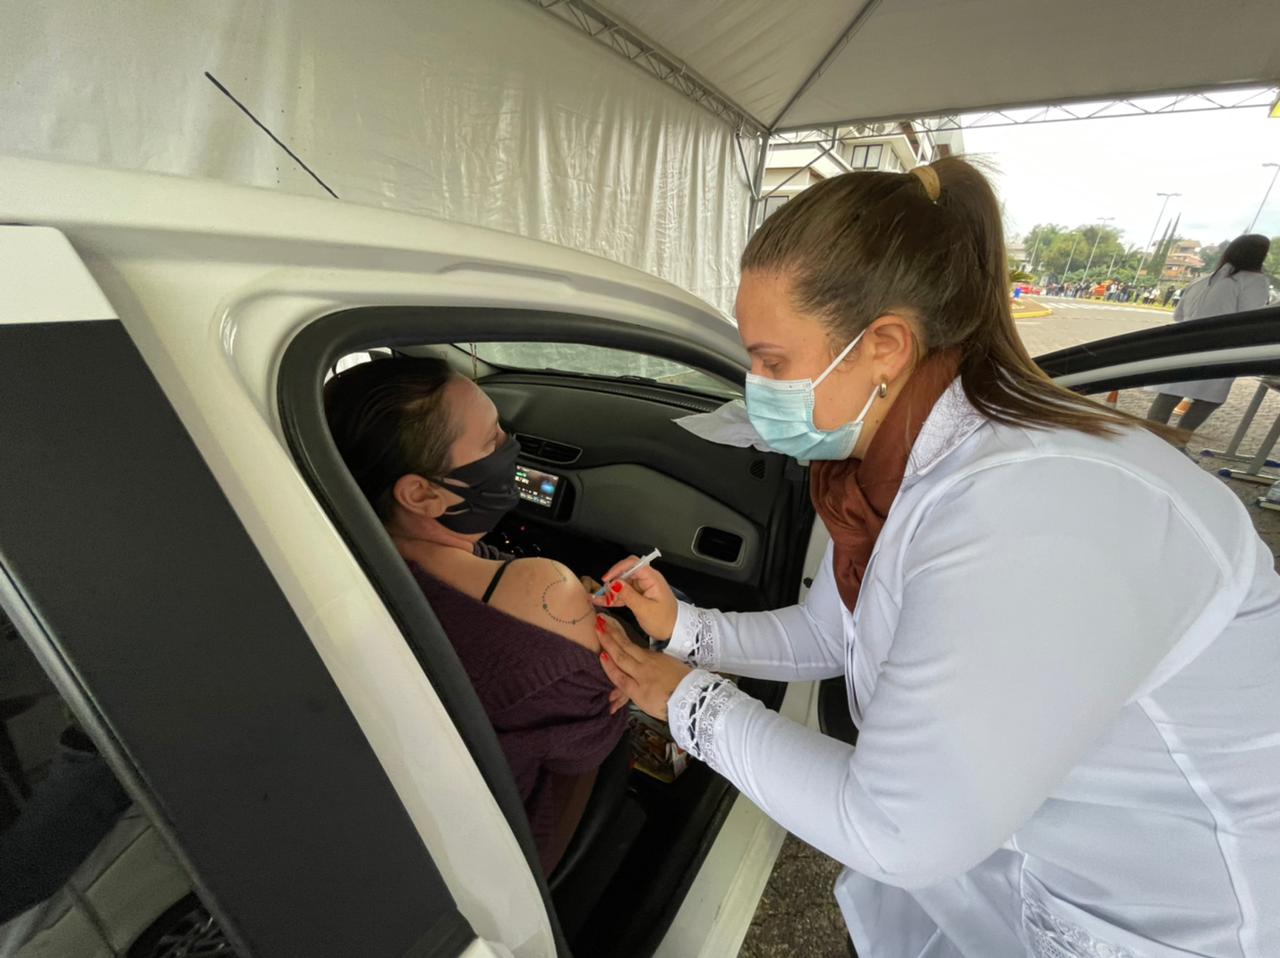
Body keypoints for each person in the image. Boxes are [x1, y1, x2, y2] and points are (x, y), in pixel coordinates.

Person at [591, 160, 1280, 956]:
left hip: (1183, 915)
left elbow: (897, 831)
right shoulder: (901, 464)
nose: (753, 388)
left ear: (883, 346)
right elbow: (834, 634)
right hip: (1034, 866)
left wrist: (692, 704)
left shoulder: (1032, 510)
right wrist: (686, 626)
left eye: (772, 361)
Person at [324, 357, 627, 874]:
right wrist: (608, 635)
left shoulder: (324, 565)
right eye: (491, 442)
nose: (511, 445)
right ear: (422, 493)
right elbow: (589, 742)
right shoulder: (546, 590)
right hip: (506, 851)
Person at [1147, 234, 1272, 432]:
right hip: (1221, 349)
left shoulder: (1202, 280)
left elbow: (1178, 315)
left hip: (1185, 344)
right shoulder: (1254, 281)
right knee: (1209, 398)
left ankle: (1151, 437)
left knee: (1171, 394)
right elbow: (1250, 318)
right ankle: (1180, 437)